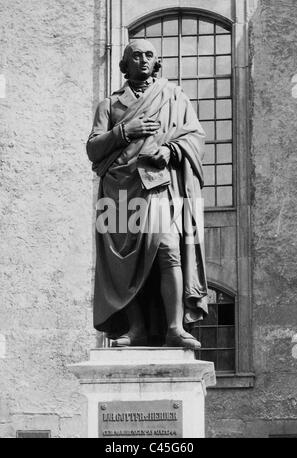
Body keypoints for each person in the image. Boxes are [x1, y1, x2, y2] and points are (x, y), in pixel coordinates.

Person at [86, 39, 208, 349]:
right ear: (124, 65)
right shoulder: (109, 105)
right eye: (135, 55)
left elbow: (194, 135)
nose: (142, 60)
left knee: (168, 250)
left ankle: (174, 327)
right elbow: (93, 148)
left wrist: (170, 150)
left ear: (156, 62)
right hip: (118, 192)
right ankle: (136, 328)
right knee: (123, 262)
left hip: (158, 186)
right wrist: (126, 131)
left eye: (148, 55)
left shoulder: (174, 97)